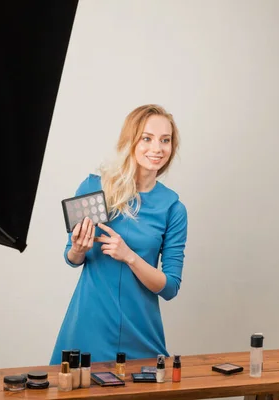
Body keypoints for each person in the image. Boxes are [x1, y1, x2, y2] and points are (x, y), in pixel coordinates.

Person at [50, 104, 188, 364]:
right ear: (131, 141)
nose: (157, 149)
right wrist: (78, 249)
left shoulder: (173, 208)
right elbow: (71, 256)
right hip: (87, 328)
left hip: (141, 332)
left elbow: (170, 287)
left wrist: (130, 257)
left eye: (165, 140)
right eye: (147, 138)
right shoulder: (94, 187)